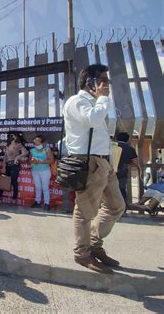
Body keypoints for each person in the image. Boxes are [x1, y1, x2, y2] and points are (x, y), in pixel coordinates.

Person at [63, 64, 125, 274]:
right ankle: (82, 253)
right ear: (90, 81)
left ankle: (94, 244)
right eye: (103, 80)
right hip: (88, 162)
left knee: (116, 206)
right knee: (85, 211)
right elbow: (92, 119)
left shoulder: (96, 102)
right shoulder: (77, 101)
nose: (107, 85)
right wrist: (104, 98)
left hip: (104, 162)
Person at [0, 132, 28, 203]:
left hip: (15, 165)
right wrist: (3, 166)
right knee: (3, 181)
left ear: (16, 137)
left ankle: (14, 198)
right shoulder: (8, 145)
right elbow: (5, 157)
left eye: (13, 136)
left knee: (14, 181)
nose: (12, 137)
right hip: (7, 165)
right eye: (10, 136)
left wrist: (17, 157)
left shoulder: (19, 145)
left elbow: (26, 152)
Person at [29, 135, 54, 211]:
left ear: (42, 143)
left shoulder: (47, 150)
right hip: (35, 170)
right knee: (37, 186)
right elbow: (29, 159)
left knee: (45, 187)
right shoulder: (32, 150)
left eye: (38, 141)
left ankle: (47, 203)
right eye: (35, 141)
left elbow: (51, 161)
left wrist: (40, 161)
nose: (36, 142)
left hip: (45, 171)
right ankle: (37, 202)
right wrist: (32, 160)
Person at [115, 132, 138, 212]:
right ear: (127, 140)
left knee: (108, 189)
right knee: (121, 189)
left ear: (116, 138)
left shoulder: (111, 147)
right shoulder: (130, 149)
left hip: (109, 171)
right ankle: (123, 208)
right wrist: (127, 162)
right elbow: (135, 163)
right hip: (122, 171)